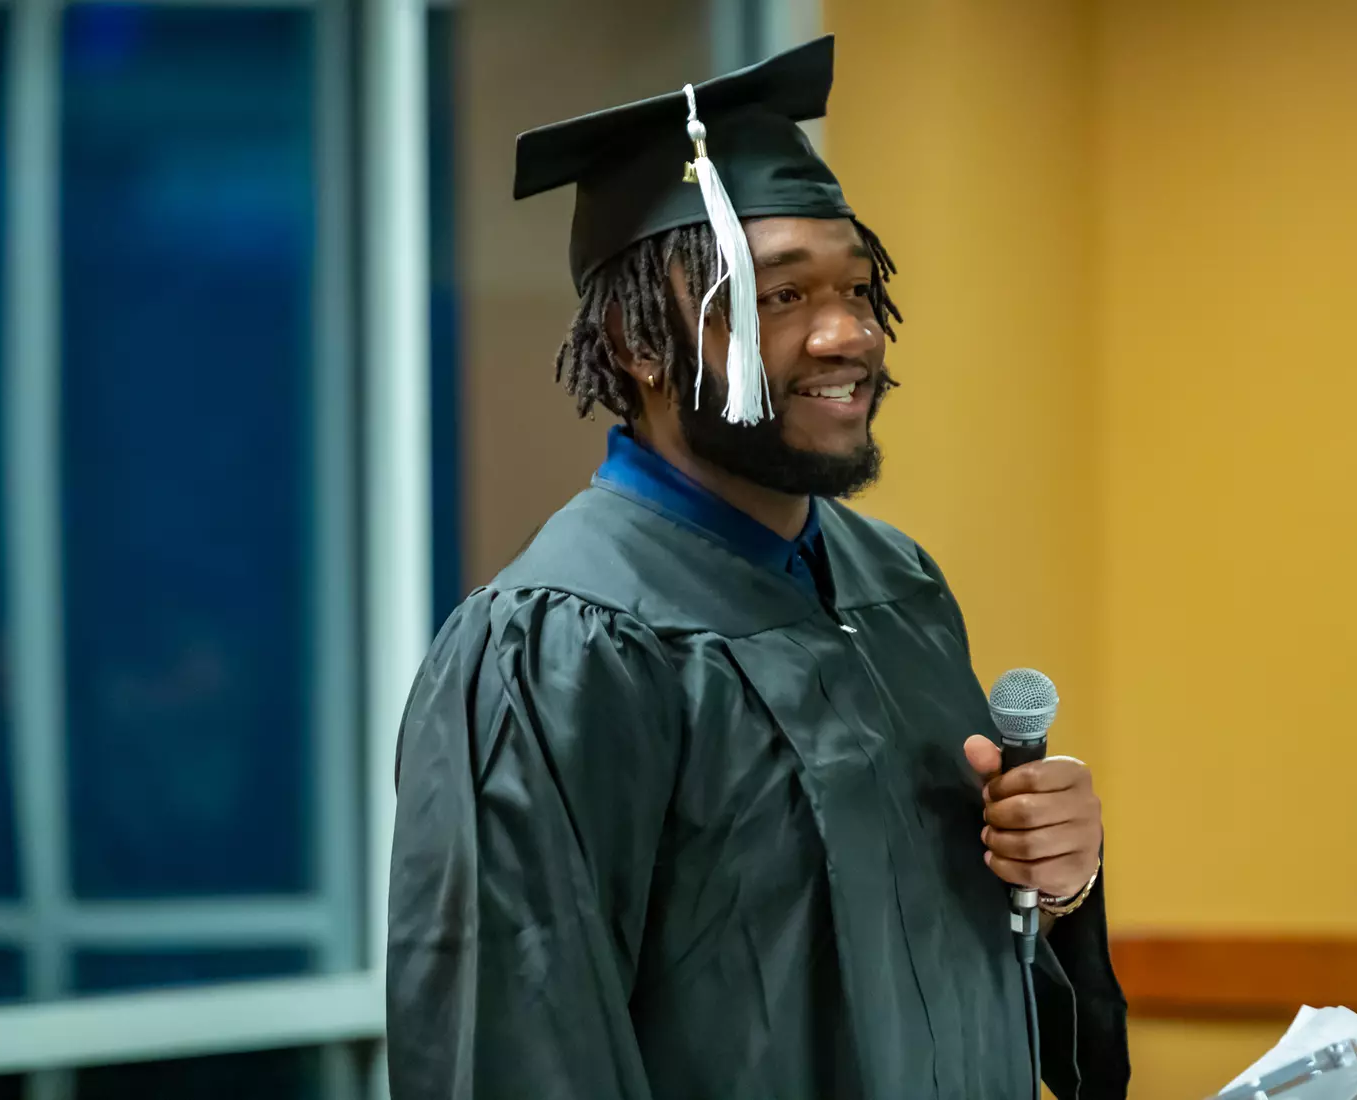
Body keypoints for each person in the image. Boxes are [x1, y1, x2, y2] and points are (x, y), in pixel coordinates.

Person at [387, 35, 1128, 1100]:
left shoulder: (898, 586)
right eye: (778, 297)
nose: (846, 335)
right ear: (641, 342)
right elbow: (519, 1047)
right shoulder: (555, 650)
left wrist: (1057, 880)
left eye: (859, 289)